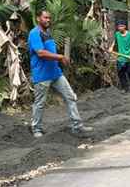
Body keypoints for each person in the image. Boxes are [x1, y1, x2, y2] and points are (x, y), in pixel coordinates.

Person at [28, 9, 90, 138]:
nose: (48, 20)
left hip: (56, 73)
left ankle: (77, 126)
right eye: (45, 18)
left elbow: (50, 51)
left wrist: (61, 59)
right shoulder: (34, 33)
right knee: (40, 103)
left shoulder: (48, 33)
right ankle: (36, 128)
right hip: (42, 75)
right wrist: (60, 57)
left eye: (49, 18)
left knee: (70, 97)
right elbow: (40, 53)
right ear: (38, 18)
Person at [111, 19, 130, 91]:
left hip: (129, 58)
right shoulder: (117, 34)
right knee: (121, 73)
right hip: (120, 58)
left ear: (125, 26)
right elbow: (115, 41)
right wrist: (111, 47)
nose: (120, 28)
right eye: (118, 26)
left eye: (121, 26)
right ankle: (124, 87)